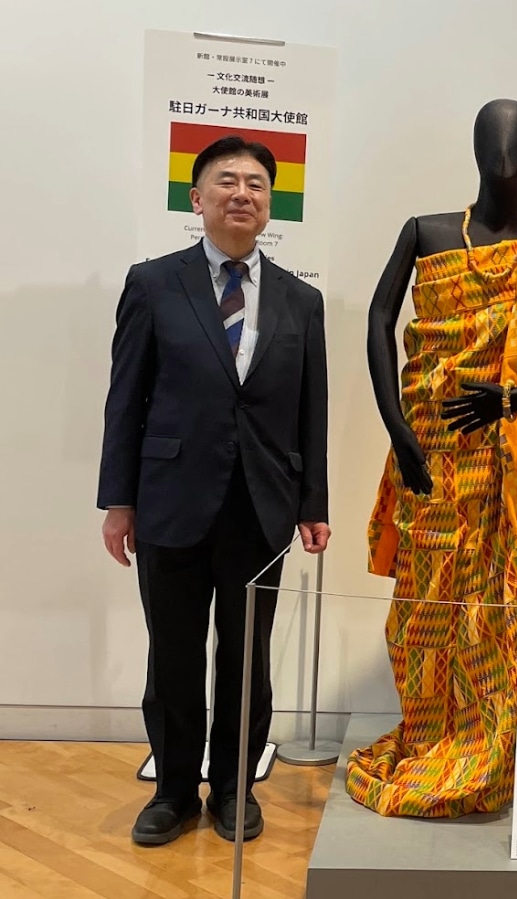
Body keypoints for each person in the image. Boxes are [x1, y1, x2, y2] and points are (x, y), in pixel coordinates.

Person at [347, 99, 517, 818]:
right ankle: (430, 730)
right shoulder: (426, 231)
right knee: (424, 603)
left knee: (502, 605)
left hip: (511, 458)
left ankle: (495, 744)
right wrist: (398, 431)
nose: (505, 157)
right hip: (430, 450)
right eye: (495, 142)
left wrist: (510, 399)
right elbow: (378, 320)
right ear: (473, 148)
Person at [97, 135, 330, 845]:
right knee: (172, 654)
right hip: (170, 497)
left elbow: (310, 407)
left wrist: (312, 503)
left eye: (256, 184)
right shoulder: (153, 283)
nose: (241, 193)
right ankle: (172, 791)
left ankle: (232, 789)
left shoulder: (301, 299)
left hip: (261, 505)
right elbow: (125, 397)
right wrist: (118, 499)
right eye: (225, 181)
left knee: (245, 657)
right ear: (196, 200)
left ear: (269, 205)